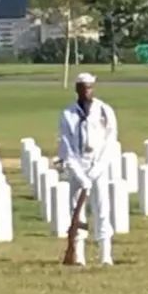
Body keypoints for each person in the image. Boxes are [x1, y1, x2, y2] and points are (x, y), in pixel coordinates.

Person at [57, 72, 119, 266]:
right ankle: (79, 255)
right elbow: (66, 146)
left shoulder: (104, 111)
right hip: (78, 164)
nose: (87, 91)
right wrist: (79, 173)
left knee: (102, 209)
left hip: (98, 163)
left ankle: (105, 254)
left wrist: (98, 167)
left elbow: (110, 140)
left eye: (90, 87)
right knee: (77, 211)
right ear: (77, 89)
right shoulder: (68, 114)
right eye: (83, 88)